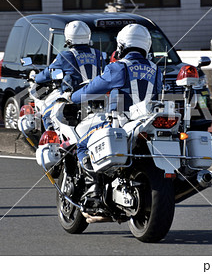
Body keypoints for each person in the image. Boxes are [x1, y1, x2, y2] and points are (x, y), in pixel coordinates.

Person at [70, 23, 163, 203]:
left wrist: (72, 97)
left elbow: (91, 89)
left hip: (120, 122)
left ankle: (94, 187)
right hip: (148, 121)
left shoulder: (119, 67)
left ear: (121, 46)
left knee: (81, 142)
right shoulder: (156, 69)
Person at [34, 20, 103, 129]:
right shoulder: (98, 54)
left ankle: (53, 144)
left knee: (46, 115)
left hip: (73, 98)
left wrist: (35, 77)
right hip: (97, 97)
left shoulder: (65, 55)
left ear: (68, 37)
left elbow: (47, 74)